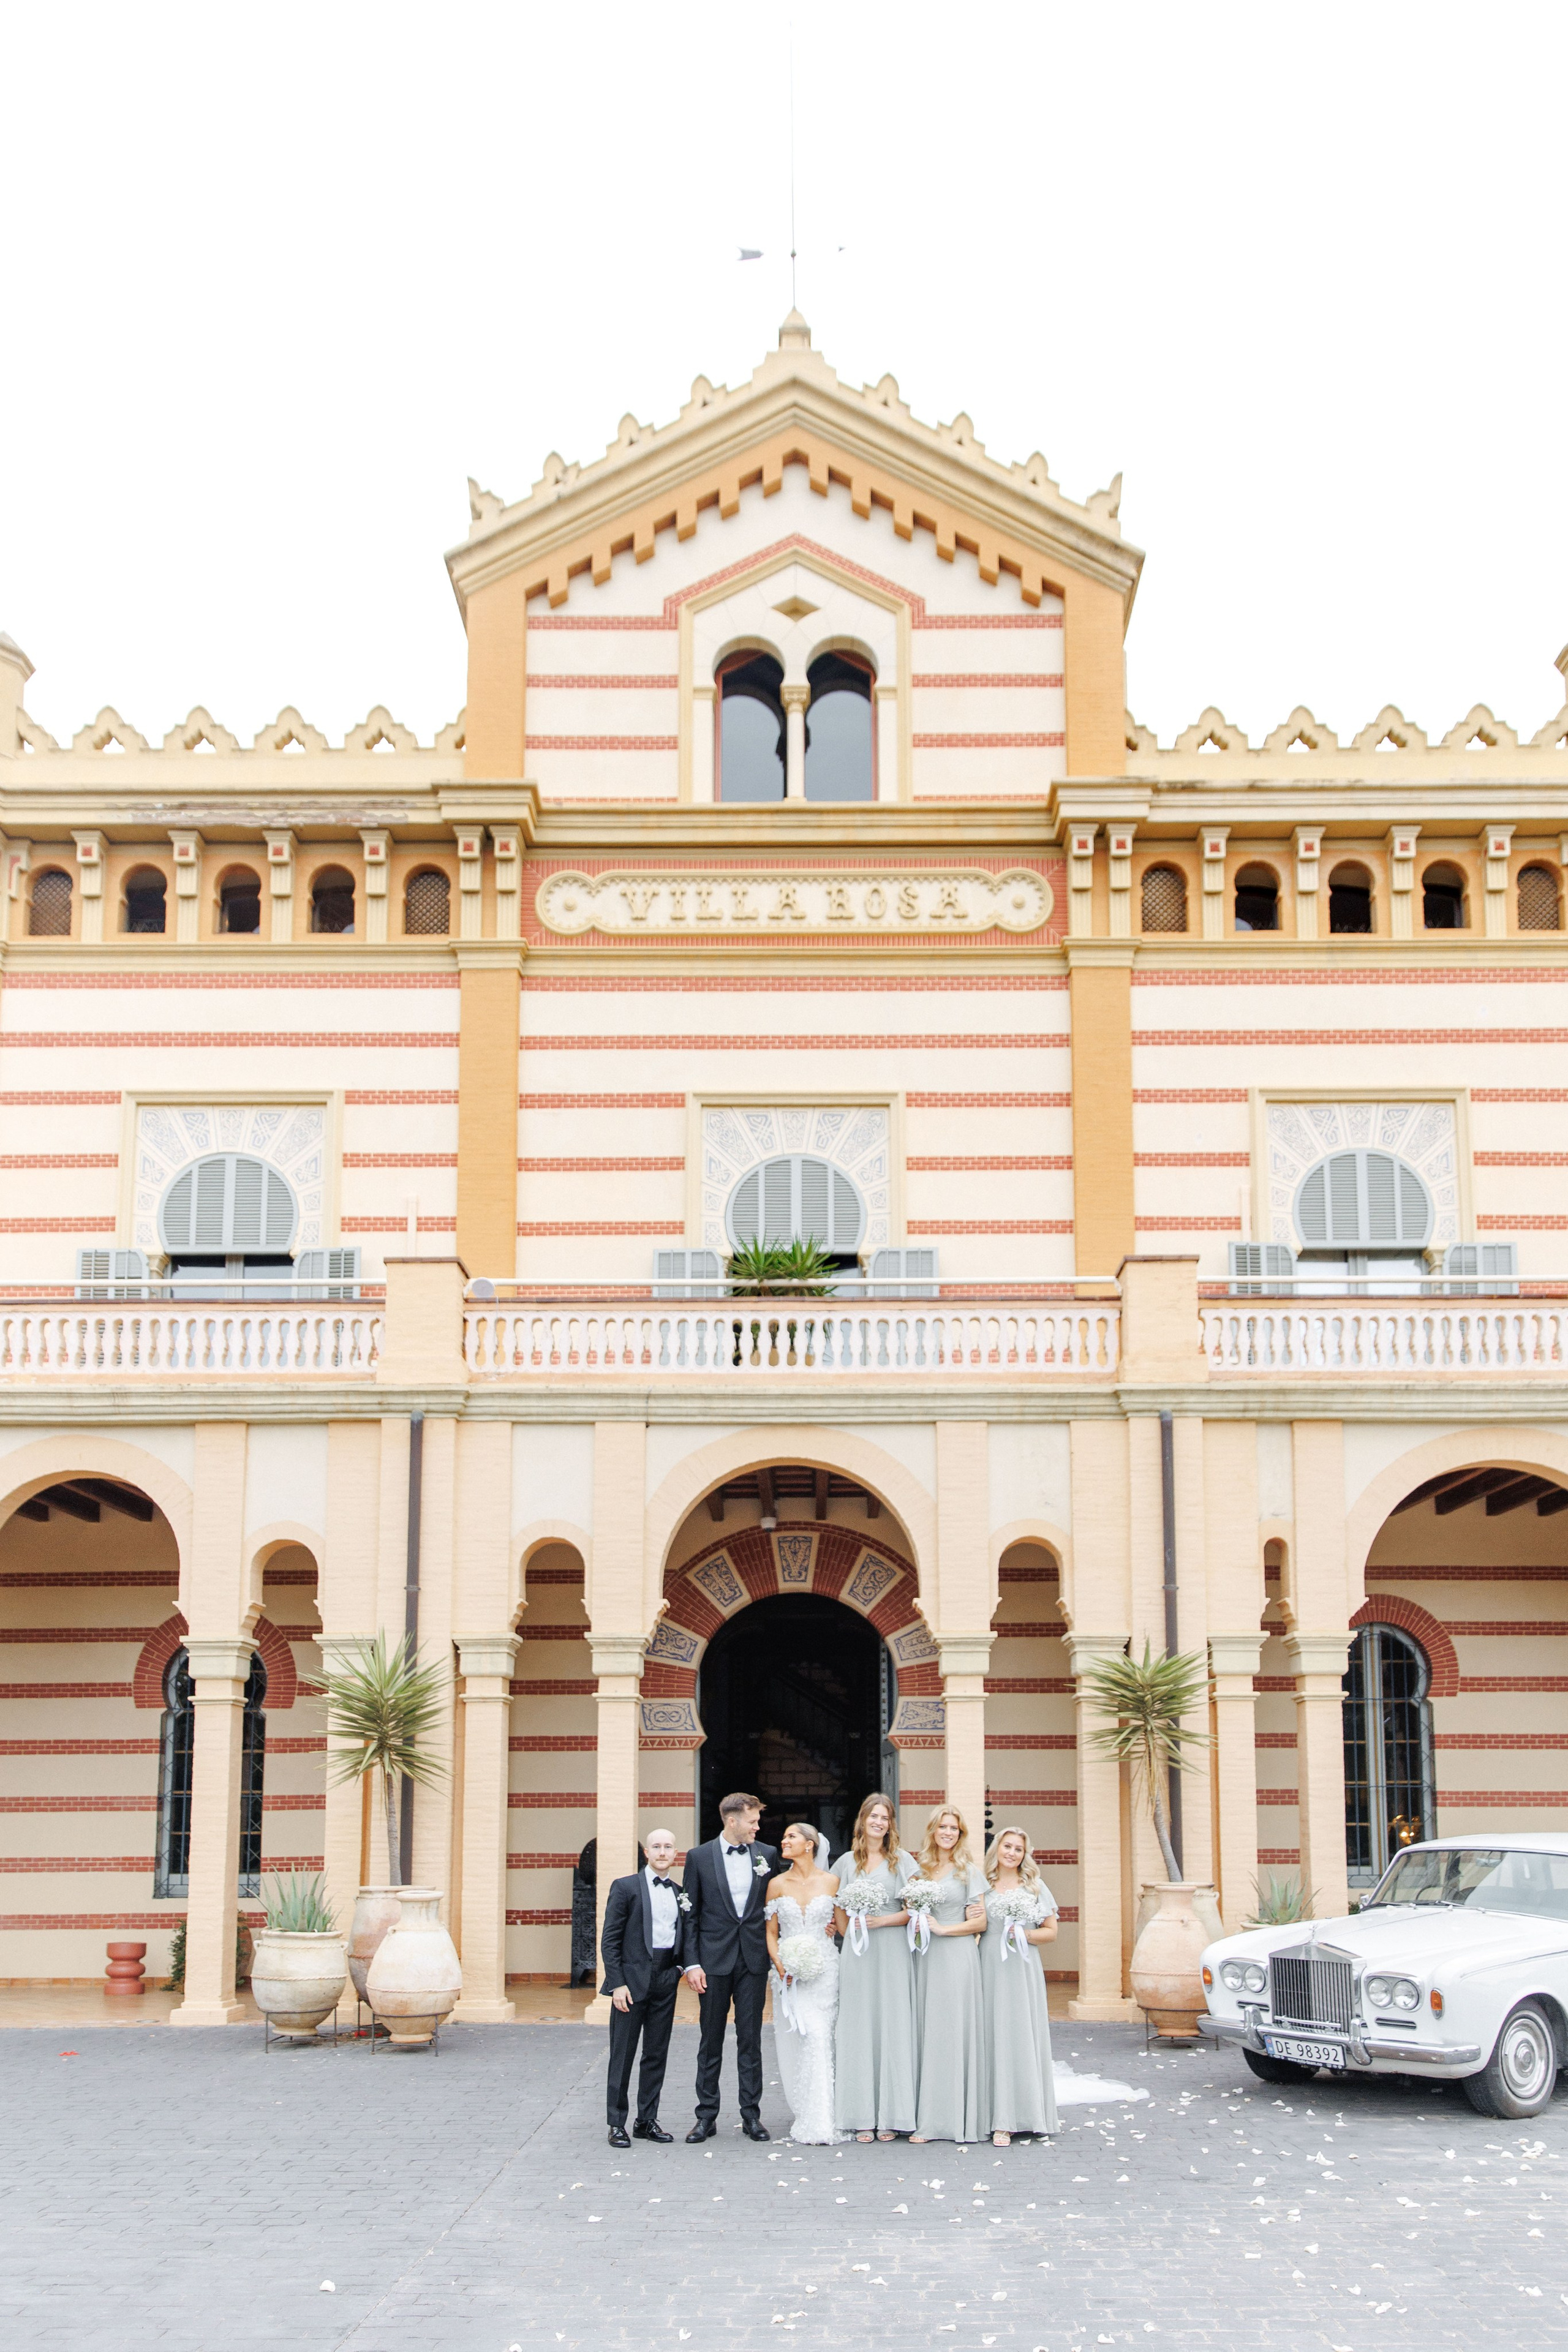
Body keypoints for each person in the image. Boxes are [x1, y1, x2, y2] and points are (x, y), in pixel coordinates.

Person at [681, 1790, 780, 2142]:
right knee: (710, 2041)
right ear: (732, 1820)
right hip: (712, 1962)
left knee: (750, 2041)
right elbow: (689, 1916)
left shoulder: (767, 1855)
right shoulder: (699, 1857)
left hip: (753, 1961)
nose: (758, 1826)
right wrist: (691, 1964)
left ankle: (751, 2116)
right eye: (752, 1821)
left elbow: (779, 1905)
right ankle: (706, 2117)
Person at [598, 1826, 692, 2149]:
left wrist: (679, 1969)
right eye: (657, 1846)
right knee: (622, 2055)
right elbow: (610, 1941)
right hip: (631, 1982)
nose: (663, 1852)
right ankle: (616, 2124)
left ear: (675, 1853)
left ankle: (646, 2120)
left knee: (656, 2053)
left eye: (668, 1846)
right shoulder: (626, 1888)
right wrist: (617, 1984)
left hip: (666, 1979)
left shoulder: (681, 1891)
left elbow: (686, 1935)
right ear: (647, 1853)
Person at [832, 1790, 918, 2142]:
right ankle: (861, 2114)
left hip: (893, 1951)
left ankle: (893, 2115)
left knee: (892, 2026)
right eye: (874, 1817)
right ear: (863, 1820)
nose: (879, 1823)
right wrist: (849, 1930)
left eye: (885, 1818)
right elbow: (836, 1909)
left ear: (890, 1824)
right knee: (859, 2028)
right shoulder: (845, 1863)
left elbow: (915, 1910)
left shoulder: (903, 1862)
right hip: (857, 1955)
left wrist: (878, 1923)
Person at [908, 1804, 987, 2144]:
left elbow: (980, 1923)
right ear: (933, 1831)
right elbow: (908, 1911)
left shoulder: (969, 1872)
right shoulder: (919, 1871)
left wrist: (943, 1929)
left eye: (954, 1828)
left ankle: (957, 2118)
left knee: (953, 2032)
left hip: (956, 1955)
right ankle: (928, 2118)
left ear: (961, 1834)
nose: (948, 1833)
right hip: (925, 1958)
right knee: (930, 2032)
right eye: (943, 1827)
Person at [978, 1824, 1060, 2146]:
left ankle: (1023, 2116)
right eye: (1007, 1846)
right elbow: (974, 1924)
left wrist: (1023, 1934)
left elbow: (1051, 1931)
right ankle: (993, 2117)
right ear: (996, 1848)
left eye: (1018, 1849)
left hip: (1022, 1967)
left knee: (1021, 2035)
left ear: (1025, 1855)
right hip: (989, 1966)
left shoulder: (1035, 1887)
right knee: (992, 2035)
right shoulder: (981, 1885)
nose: (1011, 1853)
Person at [764, 1821, 843, 2144]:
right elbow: (771, 1933)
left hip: (825, 1971)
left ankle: (825, 2116)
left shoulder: (833, 1882)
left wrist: (832, 1929)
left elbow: (842, 1927)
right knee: (802, 2039)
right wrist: (781, 1966)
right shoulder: (776, 1884)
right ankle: (807, 2110)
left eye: (791, 1837)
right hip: (790, 1975)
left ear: (809, 1844)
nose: (784, 1841)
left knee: (821, 2037)